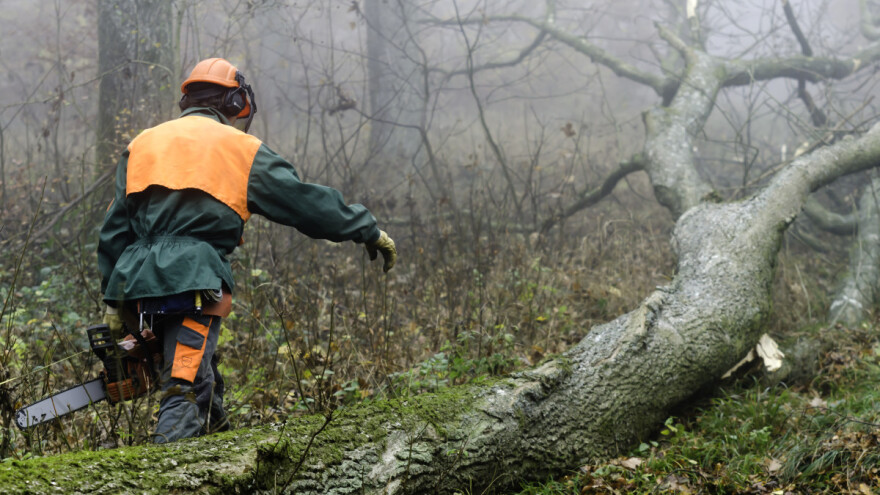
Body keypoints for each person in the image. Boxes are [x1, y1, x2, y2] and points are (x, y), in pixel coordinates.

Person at [97, 57, 397, 443]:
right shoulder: (240, 148)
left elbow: (115, 227)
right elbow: (303, 202)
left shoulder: (143, 143)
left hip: (137, 281)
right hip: (194, 281)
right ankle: (165, 472)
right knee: (183, 387)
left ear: (188, 100)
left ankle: (223, 454)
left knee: (199, 375)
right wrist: (366, 229)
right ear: (235, 102)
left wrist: (113, 299)